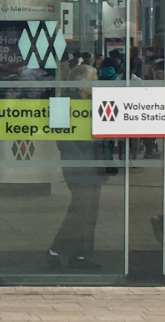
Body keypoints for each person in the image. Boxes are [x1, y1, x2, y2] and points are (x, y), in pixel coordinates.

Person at [47, 65, 109, 270]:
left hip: (95, 164)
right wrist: (80, 162)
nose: (97, 84)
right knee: (80, 209)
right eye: (93, 80)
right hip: (78, 164)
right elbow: (62, 139)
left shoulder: (94, 103)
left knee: (91, 211)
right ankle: (55, 250)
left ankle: (81, 255)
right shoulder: (63, 103)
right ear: (81, 84)